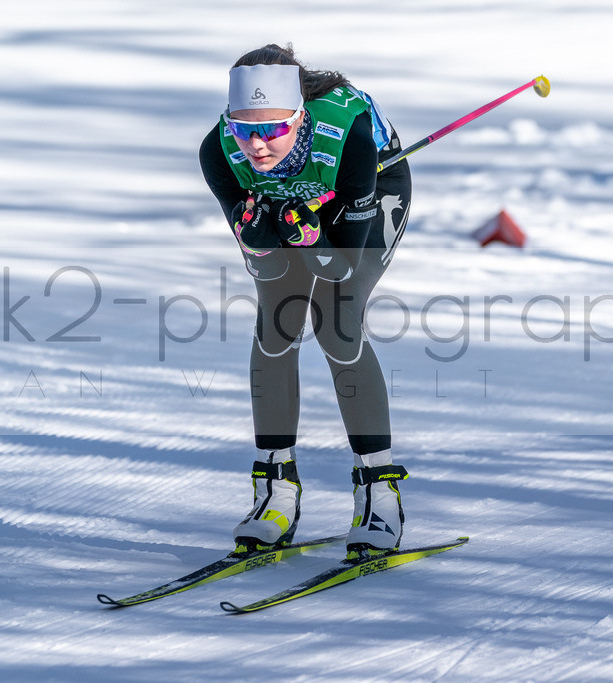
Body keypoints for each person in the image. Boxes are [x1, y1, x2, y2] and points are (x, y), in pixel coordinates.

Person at [199, 44, 412, 560]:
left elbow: (337, 267)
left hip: (365, 190)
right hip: (293, 204)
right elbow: (266, 265)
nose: (257, 144)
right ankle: (275, 493)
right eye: (244, 128)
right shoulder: (218, 153)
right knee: (278, 323)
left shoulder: (350, 139)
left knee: (336, 323)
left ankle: (378, 493)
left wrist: (310, 237)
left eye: (272, 129)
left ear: (298, 117)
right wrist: (266, 236)